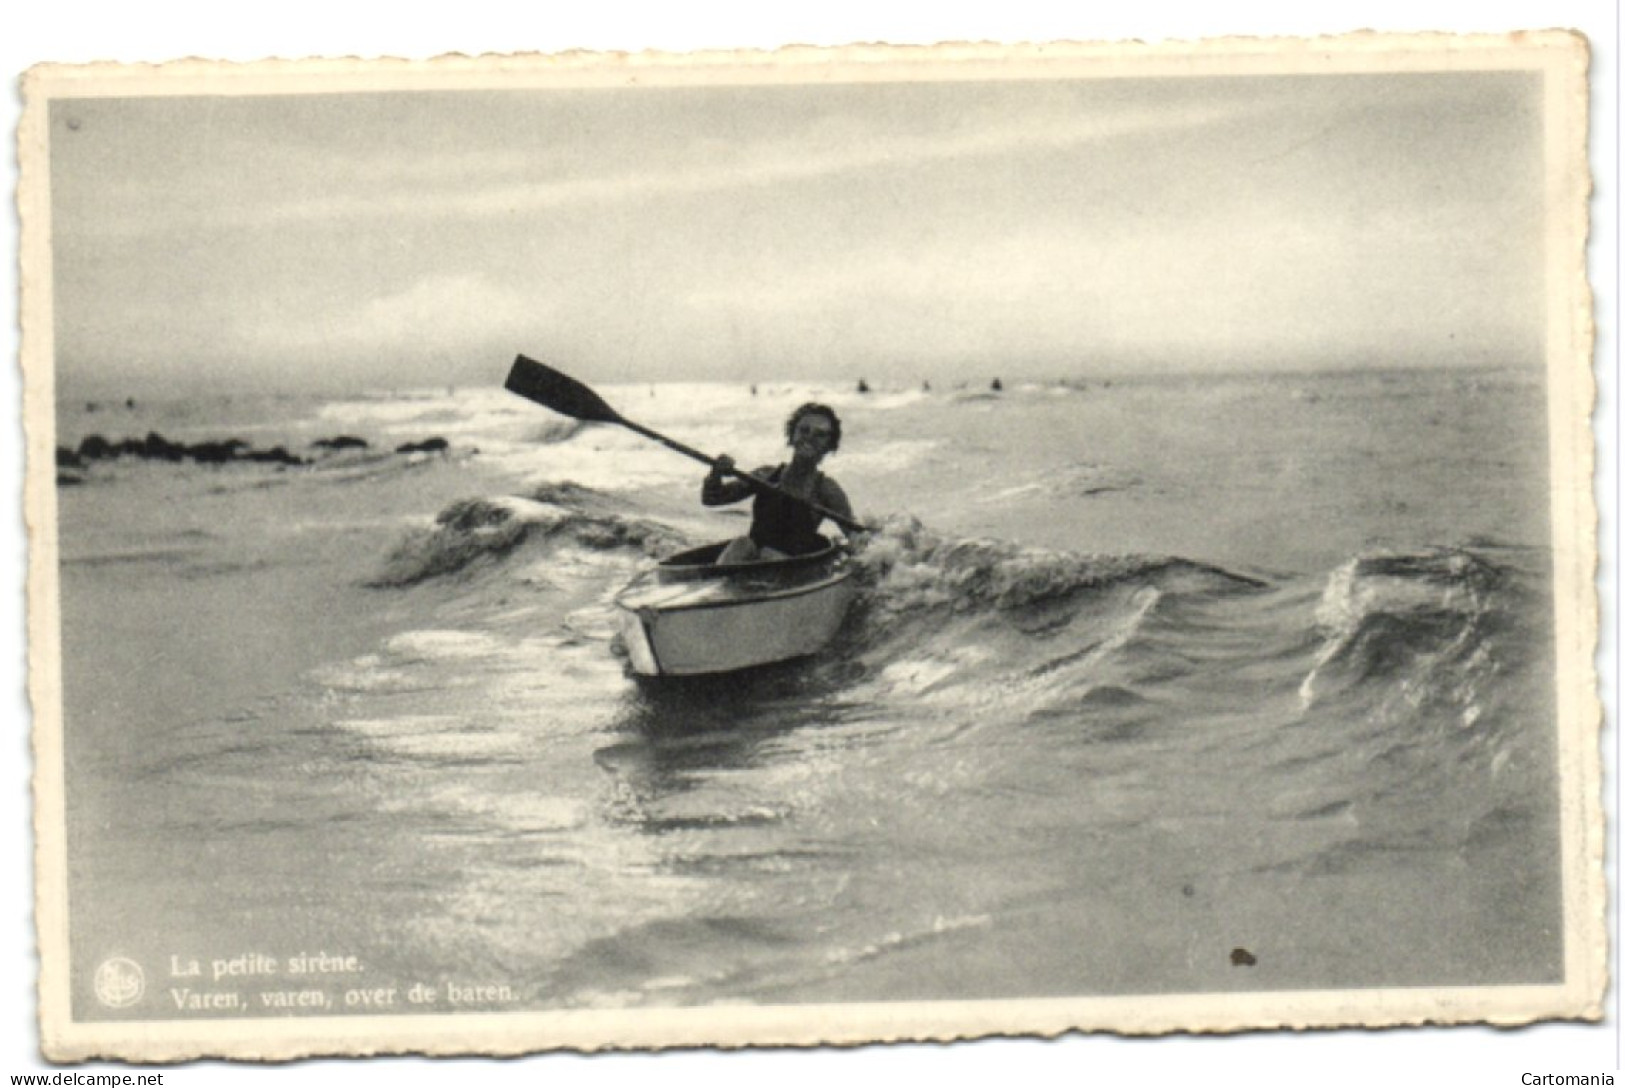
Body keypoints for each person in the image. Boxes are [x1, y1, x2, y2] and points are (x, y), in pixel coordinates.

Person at [702, 402, 857, 564]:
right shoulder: (765, 475)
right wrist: (716, 473)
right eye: (804, 430)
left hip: (791, 567)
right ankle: (722, 582)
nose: (810, 437)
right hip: (750, 561)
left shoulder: (827, 489)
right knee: (741, 544)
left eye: (820, 435)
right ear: (792, 437)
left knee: (769, 554)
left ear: (829, 446)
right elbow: (711, 499)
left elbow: (853, 534)